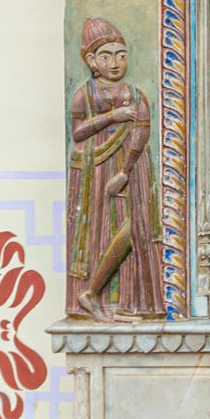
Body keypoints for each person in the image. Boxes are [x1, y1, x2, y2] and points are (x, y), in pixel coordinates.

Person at [68, 17, 157, 321]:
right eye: (106, 56)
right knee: (99, 231)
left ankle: (119, 298)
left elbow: (142, 132)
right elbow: (78, 133)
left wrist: (126, 171)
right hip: (95, 169)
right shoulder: (85, 94)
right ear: (91, 60)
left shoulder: (135, 93)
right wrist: (112, 117)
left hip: (130, 168)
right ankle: (94, 296)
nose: (116, 62)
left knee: (138, 226)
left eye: (121, 54)